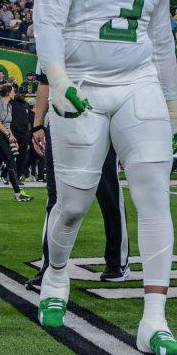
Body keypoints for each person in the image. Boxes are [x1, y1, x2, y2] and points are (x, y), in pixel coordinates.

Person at [32, 0, 177, 355]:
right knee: (73, 204)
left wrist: (173, 109)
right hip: (82, 85)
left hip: (139, 81)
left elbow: (162, 41)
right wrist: (56, 81)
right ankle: (56, 274)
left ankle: (155, 320)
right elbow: (48, 20)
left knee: (154, 198)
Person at [28, 71, 130, 289]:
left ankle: (117, 262)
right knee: (55, 196)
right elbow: (45, 82)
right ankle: (48, 266)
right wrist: (37, 124)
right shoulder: (52, 39)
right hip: (60, 122)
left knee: (108, 192)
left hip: (101, 120)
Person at [0, 83, 31, 202]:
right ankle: (18, 194)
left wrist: (12, 137)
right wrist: (8, 135)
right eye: (12, 91)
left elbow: (8, 124)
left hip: (5, 134)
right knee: (11, 161)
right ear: (7, 93)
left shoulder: (9, 106)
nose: (14, 93)